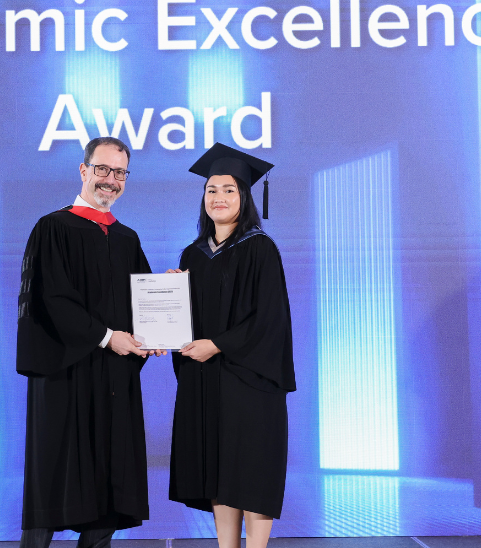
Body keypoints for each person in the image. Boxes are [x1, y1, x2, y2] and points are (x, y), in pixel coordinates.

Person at [16, 136, 158, 548]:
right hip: (65, 377)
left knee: (106, 488)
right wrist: (108, 337)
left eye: (119, 172)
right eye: (102, 169)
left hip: (112, 380)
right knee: (52, 485)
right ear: (83, 170)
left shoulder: (126, 238)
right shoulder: (52, 228)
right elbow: (52, 299)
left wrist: (156, 327)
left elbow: (141, 304)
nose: (110, 180)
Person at [168, 143, 296, 548]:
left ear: (244, 197)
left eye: (228, 190)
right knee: (220, 470)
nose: (219, 198)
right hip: (208, 382)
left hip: (250, 382)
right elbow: (183, 324)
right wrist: (174, 295)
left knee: (251, 470)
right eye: (211, 190)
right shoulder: (193, 254)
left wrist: (217, 345)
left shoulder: (260, 248)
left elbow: (268, 318)